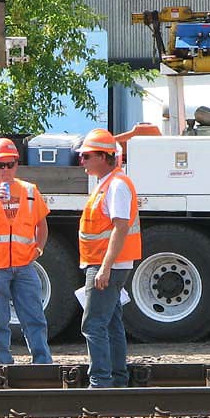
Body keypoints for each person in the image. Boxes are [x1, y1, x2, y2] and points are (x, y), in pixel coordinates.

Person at [0, 137, 53, 365]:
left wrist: (39, 249)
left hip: (24, 266)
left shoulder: (30, 191)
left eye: (10, 164)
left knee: (34, 317)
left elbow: (41, 225)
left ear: (17, 164)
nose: (5, 170)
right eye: (0, 165)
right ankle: (4, 365)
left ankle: (42, 363)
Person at [77, 128, 141, 388]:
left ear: (104, 157)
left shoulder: (115, 185)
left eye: (86, 156)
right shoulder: (108, 183)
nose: (81, 160)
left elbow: (121, 226)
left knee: (93, 324)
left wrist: (105, 267)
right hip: (108, 264)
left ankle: (100, 382)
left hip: (108, 266)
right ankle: (117, 378)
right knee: (111, 323)